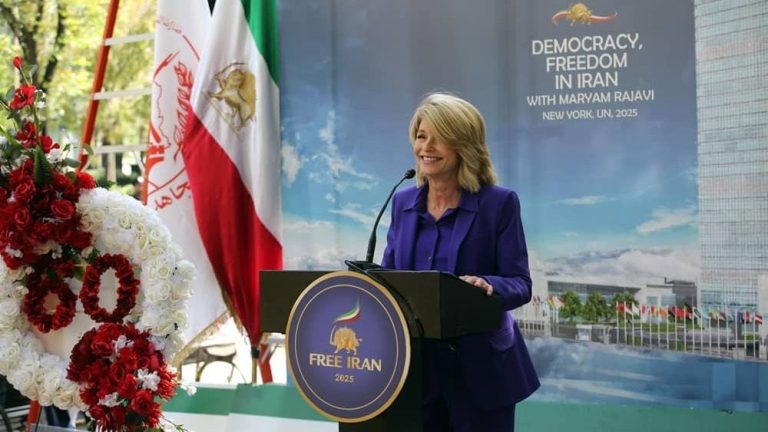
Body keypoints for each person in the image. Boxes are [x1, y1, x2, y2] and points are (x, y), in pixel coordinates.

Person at [381, 92, 540, 431]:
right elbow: (389, 279)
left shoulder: (499, 203)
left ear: (464, 146)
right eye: (421, 136)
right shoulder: (402, 202)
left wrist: (488, 285)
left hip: (481, 371)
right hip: (415, 371)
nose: (427, 147)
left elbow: (520, 282)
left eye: (440, 138)